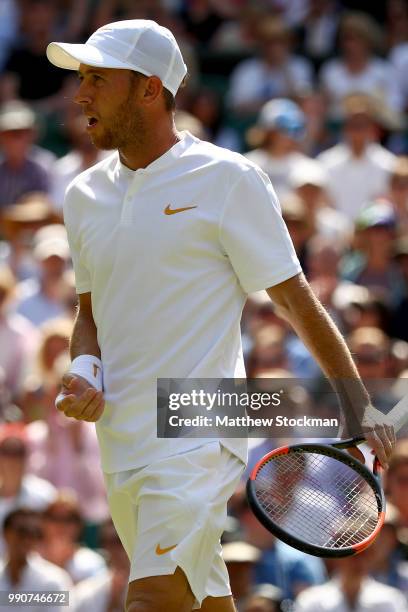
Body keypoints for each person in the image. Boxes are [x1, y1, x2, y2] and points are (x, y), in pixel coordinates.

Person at [47, 19, 395, 612]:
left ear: (149, 89)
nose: (81, 94)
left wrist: (357, 402)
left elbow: (293, 300)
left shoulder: (229, 180)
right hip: (122, 437)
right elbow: (89, 312)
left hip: (198, 427)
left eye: (97, 79)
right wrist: (85, 367)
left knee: (153, 600)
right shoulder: (82, 194)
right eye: (82, 79)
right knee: (203, 602)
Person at [0, 508, 73, 611]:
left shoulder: (54, 580)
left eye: (34, 533)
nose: (27, 539)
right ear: (5, 533)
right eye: (22, 531)